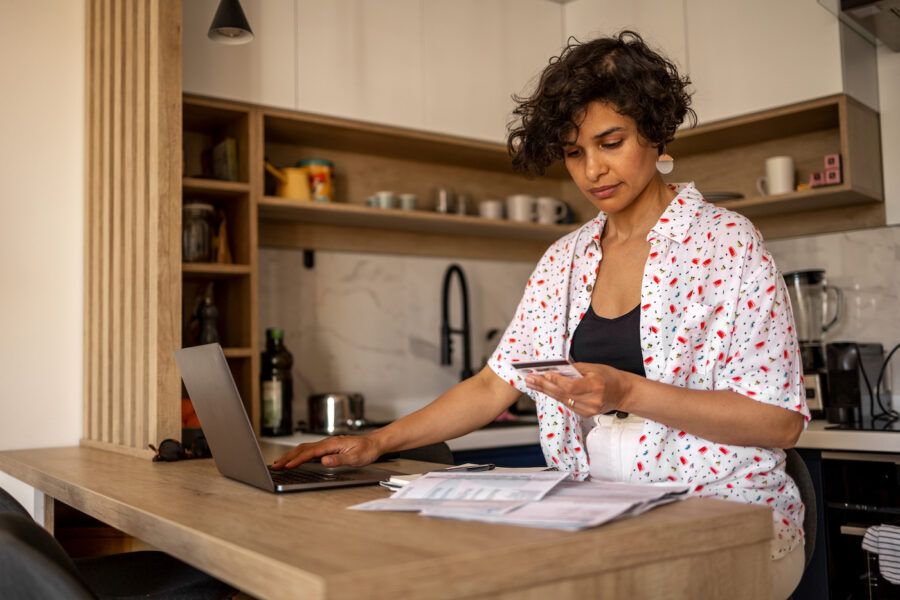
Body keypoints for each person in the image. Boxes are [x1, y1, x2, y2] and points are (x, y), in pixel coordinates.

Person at [274, 31, 809, 599]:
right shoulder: (565, 259)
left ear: (655, 131)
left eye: (611, 142)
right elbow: (493, 384)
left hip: (727, 525)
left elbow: (779, 422)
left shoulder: (725, 244)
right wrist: (377, 443)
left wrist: (627, 392)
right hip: (602, 522)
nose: (593, 171)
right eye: (575, 153)